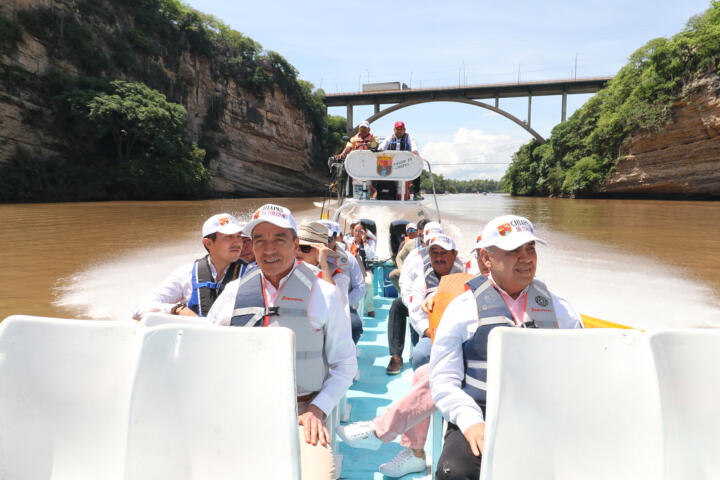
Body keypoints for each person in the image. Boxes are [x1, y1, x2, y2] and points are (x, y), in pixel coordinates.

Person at [206, 204, 357, 480]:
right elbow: (208, 352)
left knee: (319, 476)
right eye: (260, 240)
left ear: (296, 244)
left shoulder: (325, 294)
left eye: (279, 239)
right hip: (245, 407)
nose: (269, 249)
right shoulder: (233, 293)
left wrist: (317, 409)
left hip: (303, 410)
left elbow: (345, 364)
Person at [430, 215, 584, 480]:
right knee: (455, 472)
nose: (526, 258)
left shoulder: (560, 309)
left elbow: (583, 366)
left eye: (530, 249)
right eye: (513, 251)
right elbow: (444, 380)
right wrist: (471, 422)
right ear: (486, 259)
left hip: (543, 413)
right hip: (481, 411)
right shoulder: (462, 310)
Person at [132, 213, 248, 320]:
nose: (237, 243)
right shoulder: (185, 274)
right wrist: (177, 309)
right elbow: (139, 309)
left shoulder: (253, 274)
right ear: (208, 243)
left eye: (239, 236)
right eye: (228, 237)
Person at [386, 220, 444, 374]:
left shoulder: (451, 256)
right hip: (417, 301)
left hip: (443, 305)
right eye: (430, 240)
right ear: (423, 238)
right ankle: (396, 356)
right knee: (397, 306)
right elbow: (405, 286)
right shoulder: (414, 256)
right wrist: (414, 306)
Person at [406, 233, 466, 370]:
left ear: (454, 254)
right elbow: (416, 314)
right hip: (434, 333)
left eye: (443, 253)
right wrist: (432, 332)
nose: (438, 258)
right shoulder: (421, 280)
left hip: (464, 332)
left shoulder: (469, 274)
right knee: (420, 355)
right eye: (434, 254)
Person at [378, 121, 422, 200]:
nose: (399, 130)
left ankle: (416, 193)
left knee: (417, 170)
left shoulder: (409, 137)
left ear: (404, 130)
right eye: (397, 129)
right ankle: (379, 194)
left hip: (405, 165)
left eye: (401, 129)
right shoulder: (389, 138)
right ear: (394, 130)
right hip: (390, 166)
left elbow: (414, 147)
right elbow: (381, 148)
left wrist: (414, 151)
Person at [349, 223, 376, 317]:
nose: (358, 233)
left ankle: (369, 308)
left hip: (366, 270)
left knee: (368, 284)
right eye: (356, 230)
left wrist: (364, 241)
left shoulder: (370, 242)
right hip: (352, 270)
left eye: (360, 231)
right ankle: (352, 306)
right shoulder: (349, 242)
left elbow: (371, 256)